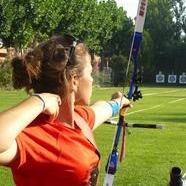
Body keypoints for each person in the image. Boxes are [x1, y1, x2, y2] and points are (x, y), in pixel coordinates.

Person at [0, 34, 130, 186]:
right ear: (74, 80)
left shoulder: (79, 119)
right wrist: (39, 101)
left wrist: (119, 102)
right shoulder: (32, 135)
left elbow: (100, 108)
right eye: (89, 73)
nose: (93, 79)